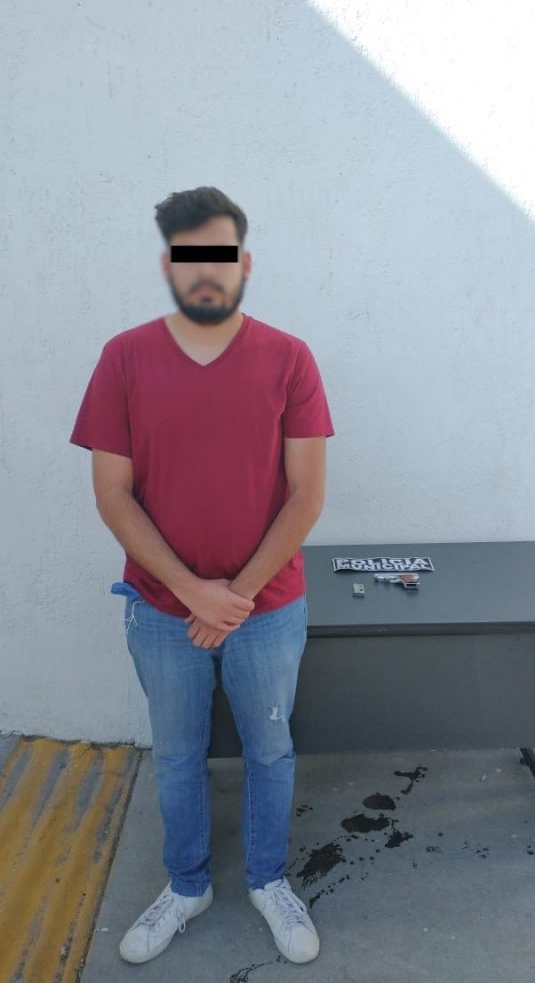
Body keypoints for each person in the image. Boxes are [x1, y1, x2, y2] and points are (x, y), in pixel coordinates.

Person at [69, 186, 335, 965]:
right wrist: (195, 594)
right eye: (190, 255)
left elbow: (307, 495)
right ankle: (188, 885)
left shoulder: (290, 358)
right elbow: (112, 496)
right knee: (177, 756)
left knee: (270, 751)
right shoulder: (124, 358)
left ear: (243, 262)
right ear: (169, 266)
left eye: (219, 253)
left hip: (268, 608)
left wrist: (236, 597)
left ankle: (267, 879)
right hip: (161, 610)